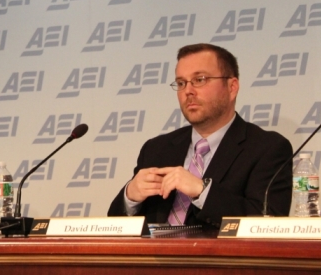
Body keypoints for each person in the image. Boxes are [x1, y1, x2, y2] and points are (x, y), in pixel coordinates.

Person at [108, 43, 293, 228]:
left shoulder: (267, 148)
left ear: (232, 87)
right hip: (154, 257)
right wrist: (130, 196)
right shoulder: (157, 149)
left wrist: (202, 191)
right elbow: (115, 228)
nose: (188, 91)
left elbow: (268, 223)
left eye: (200, 79)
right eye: (181, 83)